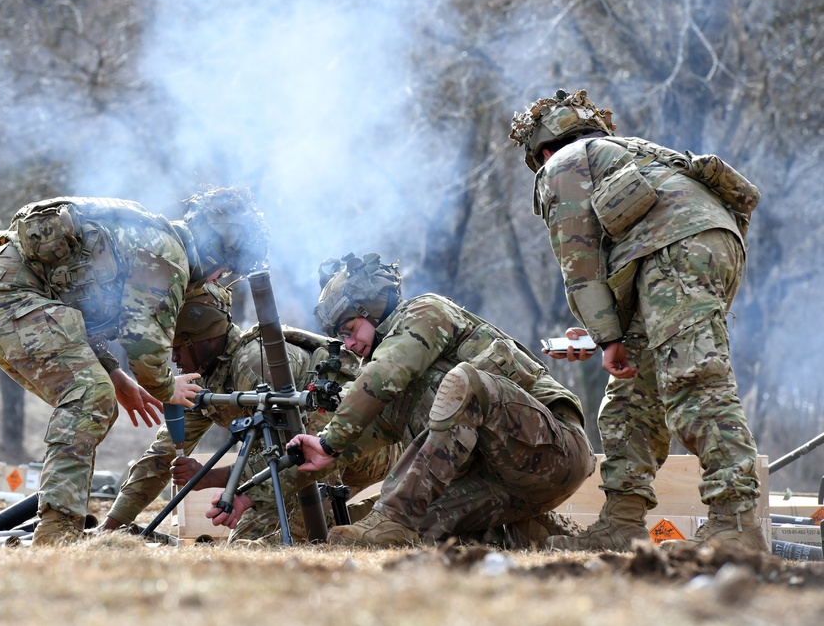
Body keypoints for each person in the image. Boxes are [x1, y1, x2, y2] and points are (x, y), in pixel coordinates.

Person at [509, 88, 766, 552]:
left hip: (678, 253)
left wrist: (606, 337)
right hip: (699, 250)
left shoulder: (563, 164)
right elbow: (632, 253)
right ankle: (621, 522)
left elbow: (580, 264)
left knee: (695, 383)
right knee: (633, 396)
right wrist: (607, 335)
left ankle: (736, 521)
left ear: (543, 150)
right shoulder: (628, 152)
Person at [212, 252, 595, 548]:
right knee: (415, 533)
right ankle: (540, 535)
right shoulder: (395, 395)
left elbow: (384, 375)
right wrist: (249, 493)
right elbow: (335, 451)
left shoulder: (426, 311)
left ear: (373, 309)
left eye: (350, 329)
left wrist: (330, 439)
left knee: (465, 382)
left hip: (555, 449)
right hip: (505, 482)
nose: (349, 345)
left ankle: (393, 516)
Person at [0, 187, 269, 546]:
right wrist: (168, 387)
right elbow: (144, 340)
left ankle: (60, 526)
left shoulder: (156, 239)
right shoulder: (168, 255)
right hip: (6, 297)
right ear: (216, 249)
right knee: (90, 396)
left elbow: (80, 309)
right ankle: (57, 533)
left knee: (97, 392)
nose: (218, 279)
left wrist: (115, 373)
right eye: (226, 270)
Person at [102, 281, 400, 543]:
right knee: (260, 536)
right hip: (297, 463)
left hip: (356, 449)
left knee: (259, 545)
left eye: (178, 345)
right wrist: (111, 526)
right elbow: (160, 458)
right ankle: (361, 514)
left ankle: (384, 515)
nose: (173, 356)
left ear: (201, 337)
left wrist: (211, 477)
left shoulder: (254, 365)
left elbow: (296, 455)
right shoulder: (204, 377)